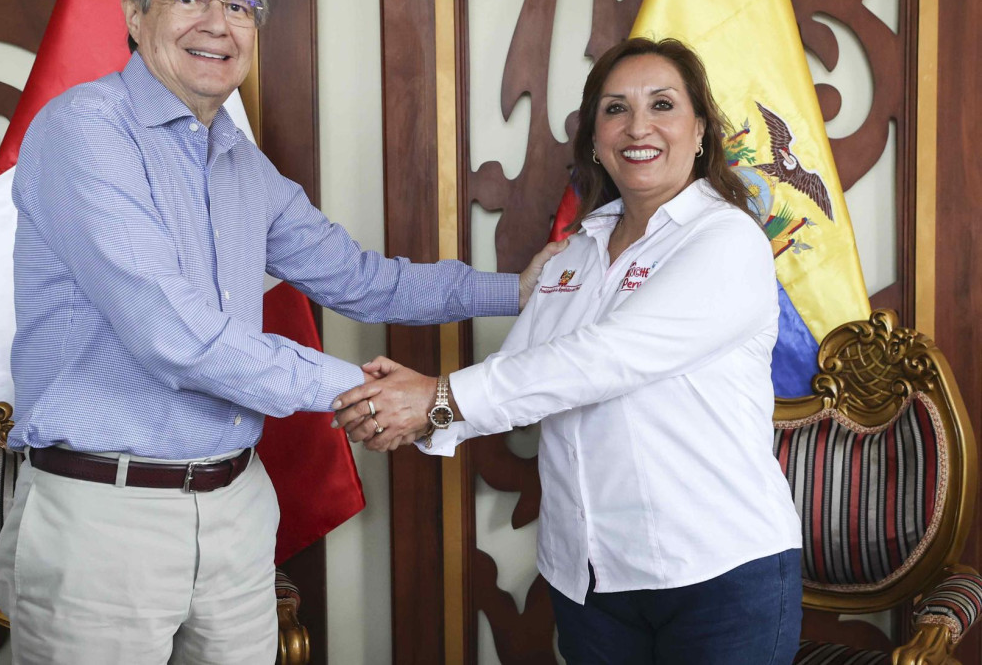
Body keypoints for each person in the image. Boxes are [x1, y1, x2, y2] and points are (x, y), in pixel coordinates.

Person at [0, 0, 562, 665]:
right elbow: (176, 337)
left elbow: (362, 280)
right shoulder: (83, 131)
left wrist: (515, 293)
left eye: (239, 5)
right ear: (134, 13)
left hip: (235, 508)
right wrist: (358, 390)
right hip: (106, 520)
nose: (217, 24)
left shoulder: (239, 162)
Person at [333, 37, 804, 664]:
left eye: (662, 105)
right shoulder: (577, 251)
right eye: (615, 109)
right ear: (594, 141)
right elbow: (522, 377)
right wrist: (413, 410)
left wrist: (433, 399)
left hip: (717, 572)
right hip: (589, 576)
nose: (638, 127)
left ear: (700, 132)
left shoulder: (727, 240)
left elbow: (602, 360)